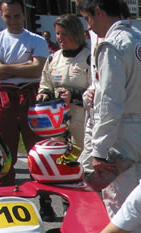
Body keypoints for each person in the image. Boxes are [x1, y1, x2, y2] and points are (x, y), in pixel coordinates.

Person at [78, 0, 141, 233]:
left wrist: (98, 150)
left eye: (88, 19)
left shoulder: (112, 45)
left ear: (99, 11)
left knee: (120, 212)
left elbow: (110, 101)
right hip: (139, 134)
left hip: (116, 137)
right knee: (137, 206)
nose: (90, 27)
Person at [0, 0, 49, 186]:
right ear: (1, 15)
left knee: (37, 151)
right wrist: (25, 66)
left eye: (17, 15)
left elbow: (38, 69)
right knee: (4, 150)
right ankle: (6, 194)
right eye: (8, 16)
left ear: (24, 15)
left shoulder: (37, 40)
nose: (13, 20)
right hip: (3, 99)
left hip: (31, 97)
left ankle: (43, 197)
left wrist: (6, 68)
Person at [35, 14, 90, 153]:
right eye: (58, 33)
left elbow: (98, 89)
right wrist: (44, 94)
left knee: (80, 156)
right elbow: (45, 83)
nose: (59, 37)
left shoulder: (90, 58)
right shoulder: (53, 58)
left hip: (82, 118)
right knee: (57, 156)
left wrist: (74, 95)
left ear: (76, 33)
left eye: (64, 34)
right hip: (56, 118)